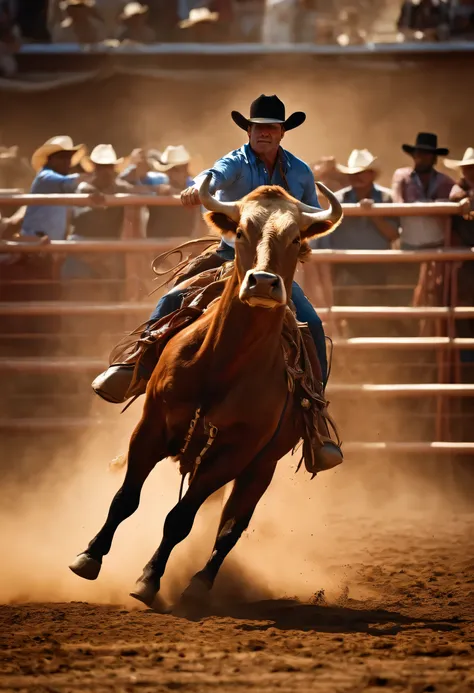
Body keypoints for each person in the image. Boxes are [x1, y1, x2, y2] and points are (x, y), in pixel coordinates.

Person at [94, 94, 342, 469]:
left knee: (312, 324)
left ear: (281, 132)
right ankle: (137, 366)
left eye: (272, 128)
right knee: (175, 298)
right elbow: (212, 176)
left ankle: (315, 417)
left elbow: (308, 217)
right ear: (249, 130)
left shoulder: (301, 173)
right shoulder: (235, 162)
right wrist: (197, 188)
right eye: (258, 127)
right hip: (232, 253)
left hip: (272, 266)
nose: (264, 133)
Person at [316, 149, 399, 311]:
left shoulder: (386, 198)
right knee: (347, 306)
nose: (357, 177)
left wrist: (374, 214)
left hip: (379, 266)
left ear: (372, 175)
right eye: (354, 173)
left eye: (363, 173)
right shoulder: (337, 199)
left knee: (380, 308)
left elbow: (393, 234)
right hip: (346, 267)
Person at [392, 132, 455, 313]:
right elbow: (397, 201)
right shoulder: (402, 176)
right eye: (419, 153)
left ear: (434, 157)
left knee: (438, 296)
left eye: (427, 154)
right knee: (406, 294)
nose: (422, 158)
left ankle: (435, 335)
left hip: (437, 247)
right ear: (413, 155)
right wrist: (433, 207)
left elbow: (458, 191)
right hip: (410, 246)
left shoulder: (445, 181)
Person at [61, 144, 132, 281]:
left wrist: (160, 189)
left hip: (110, 247)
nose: (106, 171)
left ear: (114, 169)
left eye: (109, 167)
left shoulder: (122, 188)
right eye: (101, 167)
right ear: (95, 168)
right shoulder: (84, 189)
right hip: (84, 246)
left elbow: (139, 191)